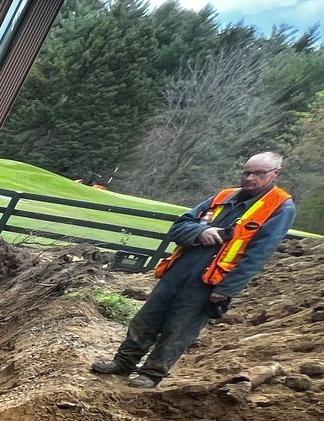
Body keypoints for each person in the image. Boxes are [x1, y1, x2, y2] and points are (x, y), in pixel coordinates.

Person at [91, 152, 295, 387]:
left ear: (275, 174)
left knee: (179, 327)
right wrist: (200, 232)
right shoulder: (223, 196)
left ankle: (152, 373)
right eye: (247, 172)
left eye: (259, 174)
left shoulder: (279, 208)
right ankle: (124, 362)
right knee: (147, 317)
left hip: (210, 280)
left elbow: (258, 254)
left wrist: (227, 288)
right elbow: (179, 226)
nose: (250, 178)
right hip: (181, 267)